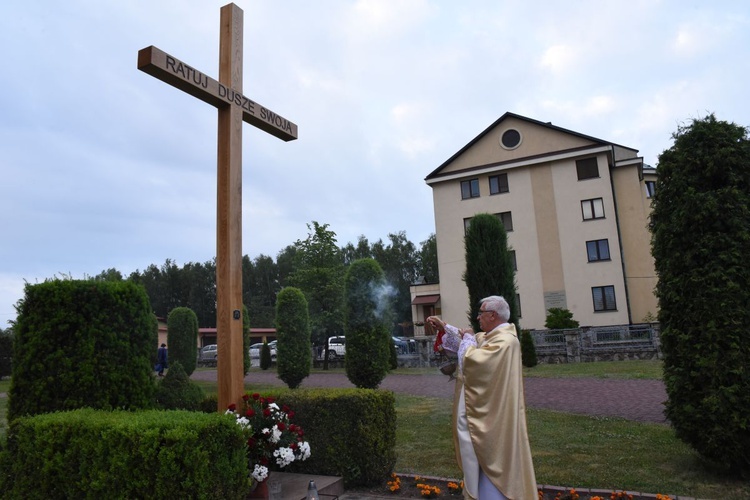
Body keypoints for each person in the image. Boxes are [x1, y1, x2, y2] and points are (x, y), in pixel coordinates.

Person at [427, 296, 536, 500]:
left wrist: (467, 339)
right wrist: (444, 327)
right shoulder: (491, 337)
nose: (478, 318)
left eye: (481, 313)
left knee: (493, 457)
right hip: (489, 410)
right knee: (480, 457)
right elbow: (466, 340)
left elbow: (473, 360)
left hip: (495, 417)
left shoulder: (505, 341)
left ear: (493, 315)